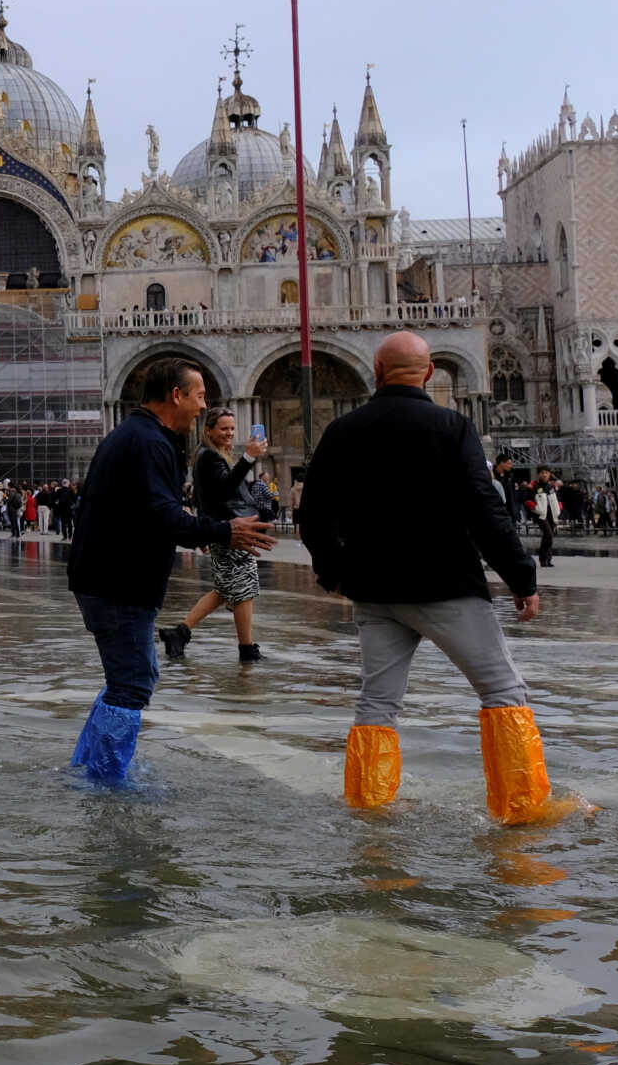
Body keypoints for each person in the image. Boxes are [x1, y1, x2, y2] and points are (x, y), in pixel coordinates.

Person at [299, 333, 563, 824]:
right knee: (503, 691)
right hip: (446, 584)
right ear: (428, 373)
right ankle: (522, 810)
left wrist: (334, 574)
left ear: (377, 370)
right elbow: (485, 510)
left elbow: (313, 515)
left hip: (374, 591)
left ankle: (370, 807)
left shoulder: (343, 430)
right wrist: (522, 577)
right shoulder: (452, 426)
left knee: (378, 700)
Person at [66, 360, 272, 785]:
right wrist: (223, 530)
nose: (202, 407)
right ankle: (106, 783)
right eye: (199, 396)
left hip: (109, 579)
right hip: (118, 583)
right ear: (175, 395)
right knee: (133, 683)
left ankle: (90, 767)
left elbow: (155, 513)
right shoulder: (149, 442)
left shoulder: (139, 436)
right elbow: (163, 516)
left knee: (129, 677)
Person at [162, 407, 273, 664]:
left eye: (232, 429)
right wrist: (248, 457)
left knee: (225, 589)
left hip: (221, 528)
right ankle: (247, 650)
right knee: (243, 589)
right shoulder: (210, 456)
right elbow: (224, 489)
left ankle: (179, 633)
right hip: (230, 529)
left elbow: (211, 494)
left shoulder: (208, 455)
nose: (229, 433)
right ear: (209, 429)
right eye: (224, 428)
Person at [528, 468, 561, 568]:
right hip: (540, 514)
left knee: (549, 536)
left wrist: (559, 508)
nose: (544, 475)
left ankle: (547, 559)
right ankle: (543, 558)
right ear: (538, 474)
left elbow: (558, 498)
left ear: (549, 474)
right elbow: (527, 499)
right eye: (542, 473)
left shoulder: (552, 486)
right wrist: (534, 508)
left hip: (551, 513)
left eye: (546, 473)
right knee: (548, 534)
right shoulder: (533, 485)